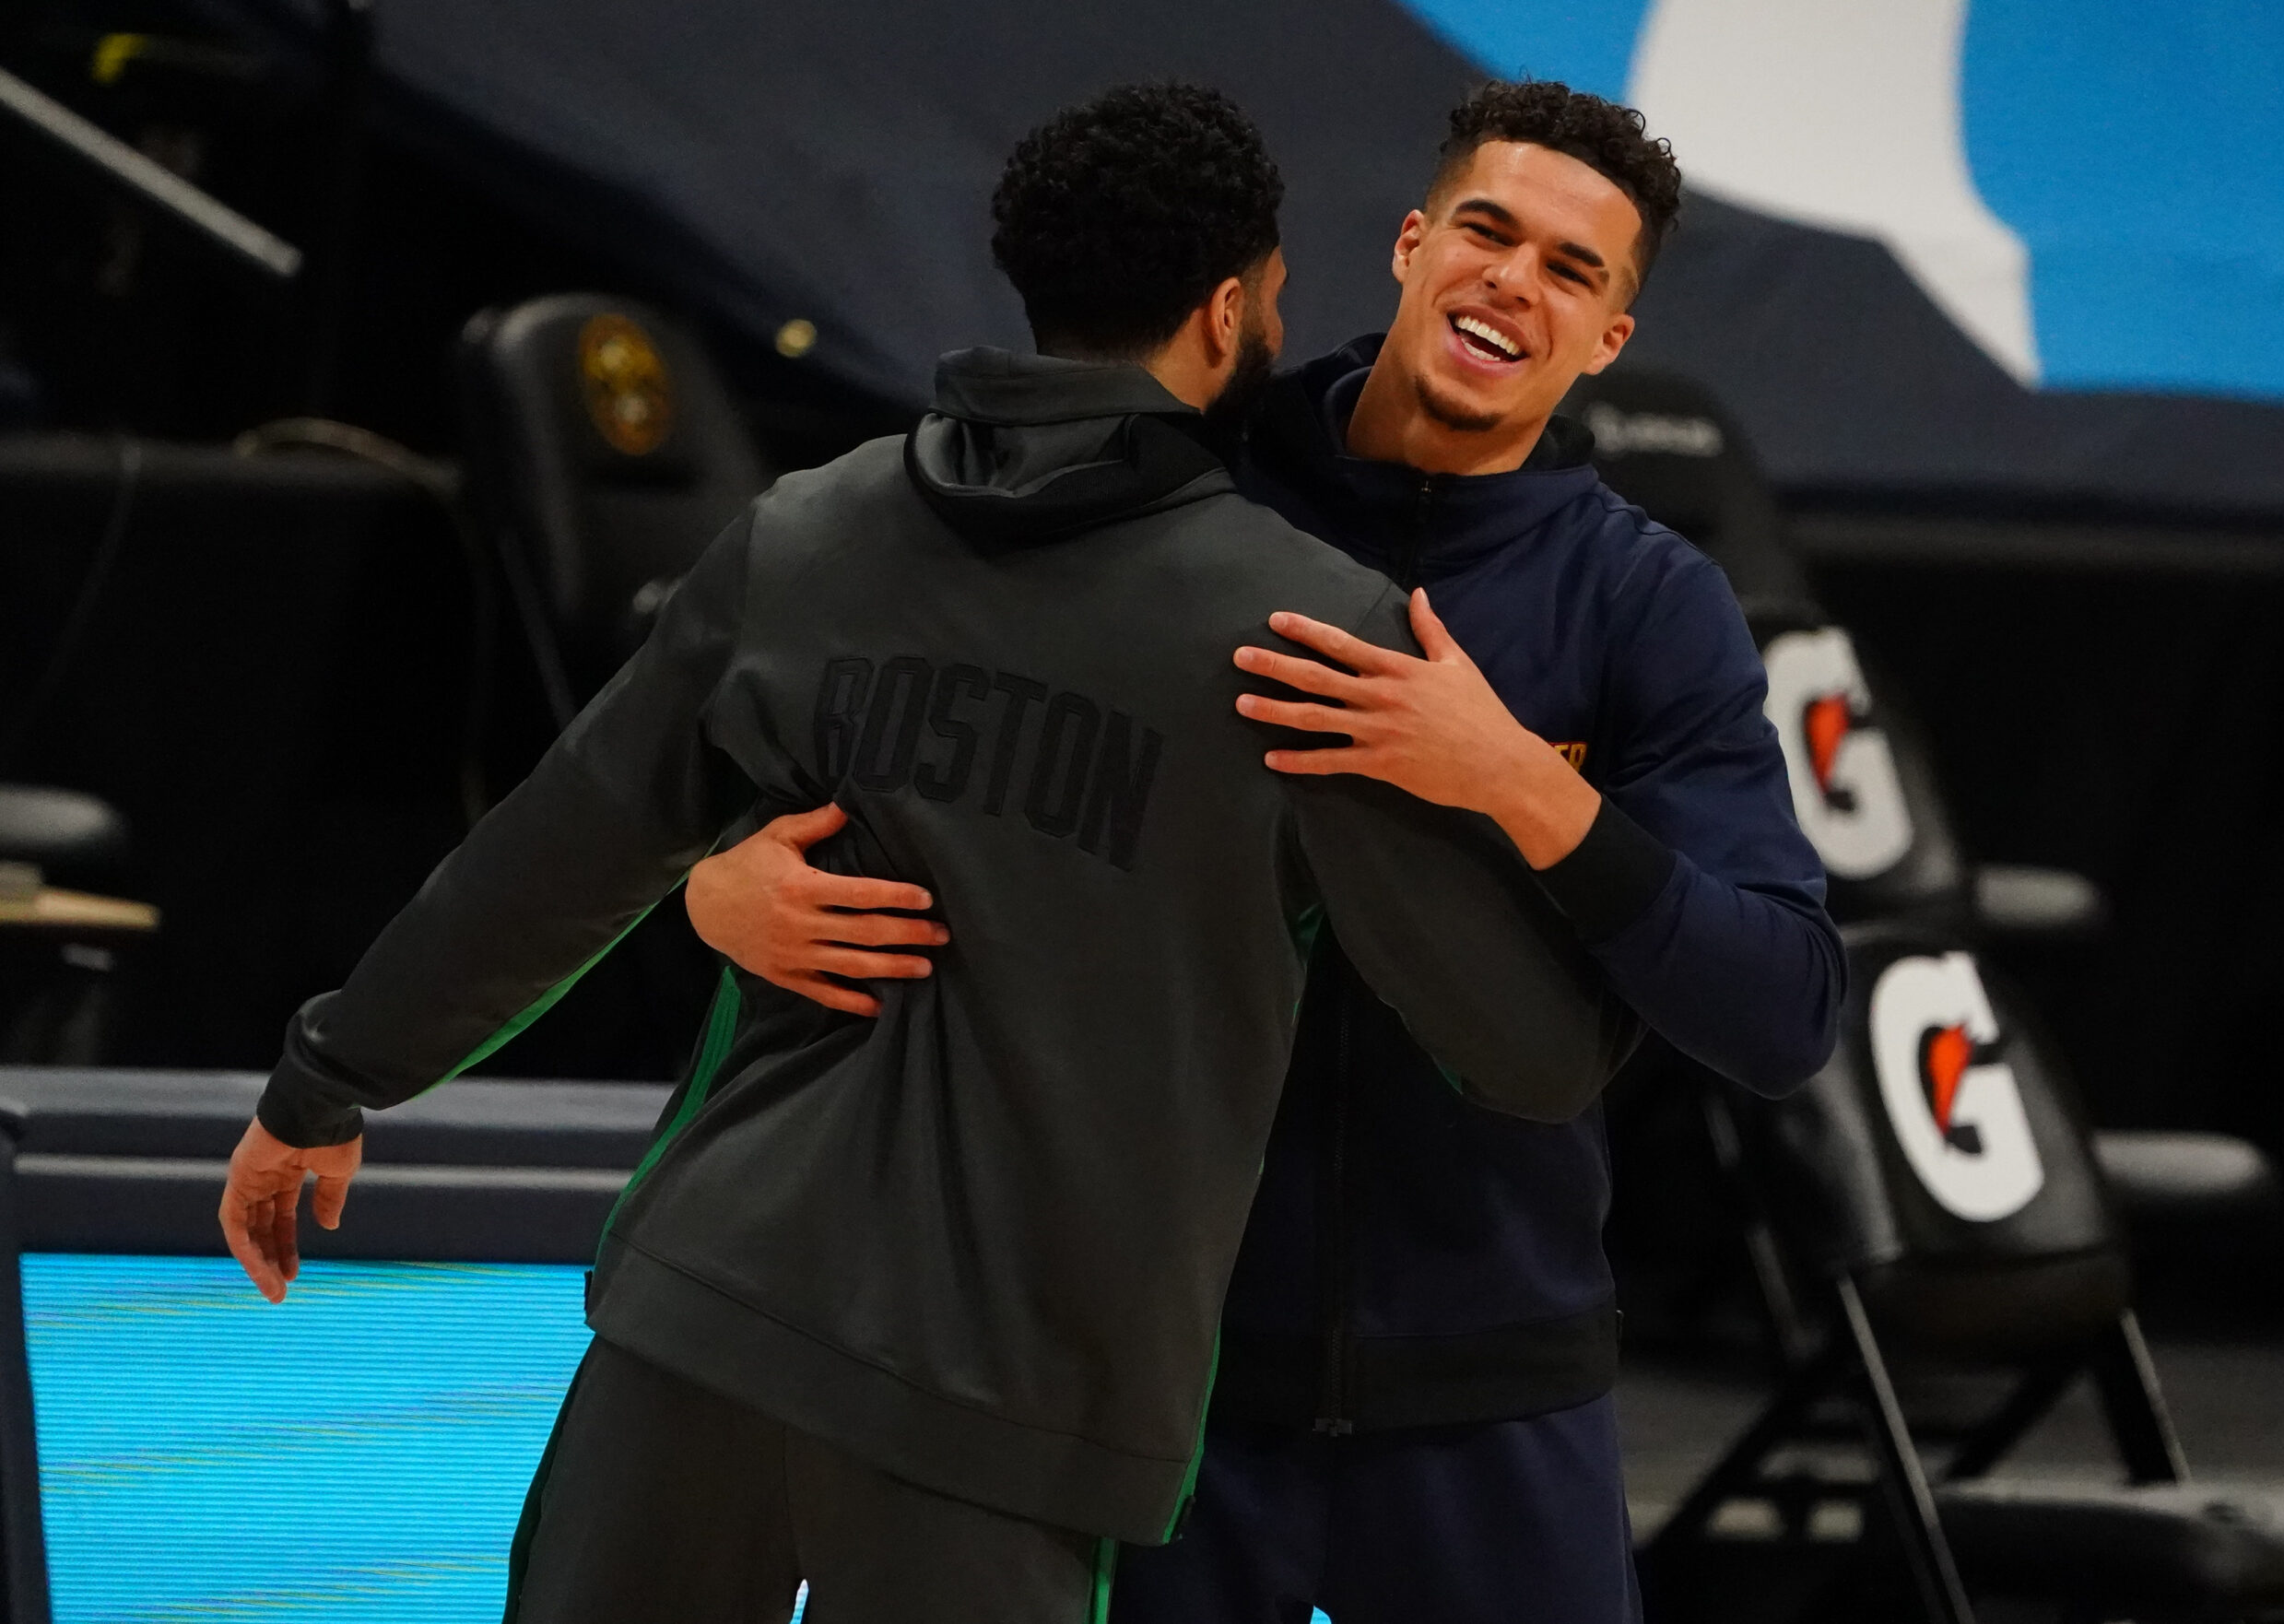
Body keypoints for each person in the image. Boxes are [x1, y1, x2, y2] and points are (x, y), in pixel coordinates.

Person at [216, 85, 1641, 1624]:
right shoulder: (1312, 637)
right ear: (1228, 315)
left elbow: (548, 853)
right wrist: (1528, 797)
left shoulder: (807, 533)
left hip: (703, 1323)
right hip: (1006, 1406)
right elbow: (1532, 1053)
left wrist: (325, 1081)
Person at [686, 81, 1843, 1622]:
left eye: (1574, 271)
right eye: (1489, 232)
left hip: (1496, 1385)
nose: (1516, 281)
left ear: (1607, 342)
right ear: (1412, 242)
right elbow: (865, 682)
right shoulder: (1179, 487)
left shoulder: (1647, 604)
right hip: (1154, 1376)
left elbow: (1784, 1010)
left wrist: (1515, 780)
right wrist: (712, 873)